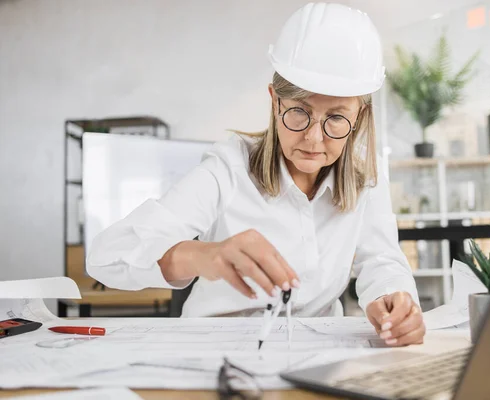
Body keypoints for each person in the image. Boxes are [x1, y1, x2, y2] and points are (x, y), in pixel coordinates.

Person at [88, 2, 425, 347]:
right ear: (274, 101)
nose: (313, 137)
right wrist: (204, 256)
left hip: (315, 353)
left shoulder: (365, 177)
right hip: (212, 351)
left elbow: (382, 260)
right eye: (298, 111)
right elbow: (106, 257)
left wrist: (392, 300)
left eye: (336, 118)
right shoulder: (229, 168)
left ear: (360, 117)